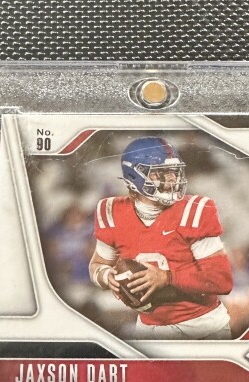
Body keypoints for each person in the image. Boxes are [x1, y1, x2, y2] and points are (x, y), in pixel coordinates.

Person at [88, 137, 233, 339]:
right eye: (160, 172)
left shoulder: (193, 211)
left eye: (173, 171)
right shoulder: (112, 212)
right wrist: (106, 276)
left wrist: (167, 278)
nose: (171, 179)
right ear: (134, 175)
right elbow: (97, 264)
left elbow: (221, 280)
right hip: (149, 329)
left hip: (202, 327)